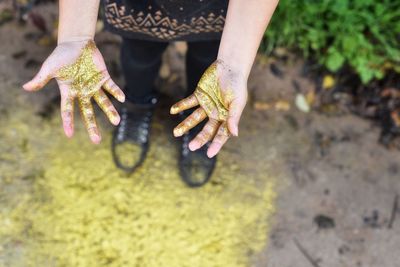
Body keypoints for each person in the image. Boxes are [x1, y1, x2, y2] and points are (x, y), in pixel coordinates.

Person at [23, 0, 279, 187]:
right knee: (138, 55)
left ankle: (198, 118)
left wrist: (233, 63)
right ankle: (137, 104)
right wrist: (75, 36)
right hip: (139, 7)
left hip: (224, 10)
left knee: (209, 61)